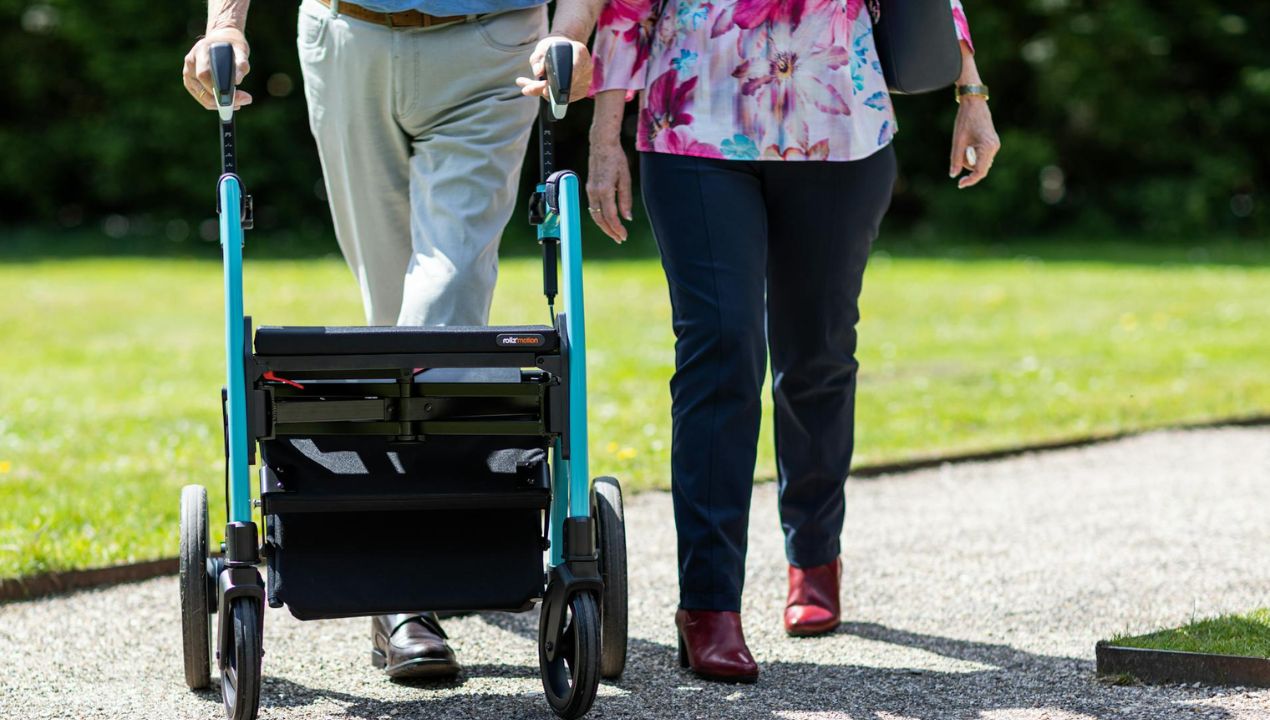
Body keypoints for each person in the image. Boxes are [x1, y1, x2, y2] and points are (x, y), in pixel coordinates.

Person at [182, 0, 600, 680]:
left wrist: (571, 32)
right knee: (389, 312)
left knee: (445, 298)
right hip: (346, 38)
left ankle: (404, 596)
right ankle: (413, 546)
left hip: (493, 46)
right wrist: (224, 23)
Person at [584, 0, 1000, 682]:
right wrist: (606, 138)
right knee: (721, 348)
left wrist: (971, 92)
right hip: (695, 127)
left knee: (818, 352)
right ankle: (709, 607)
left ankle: (813, 554)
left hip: (839, 127)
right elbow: (625, 7)